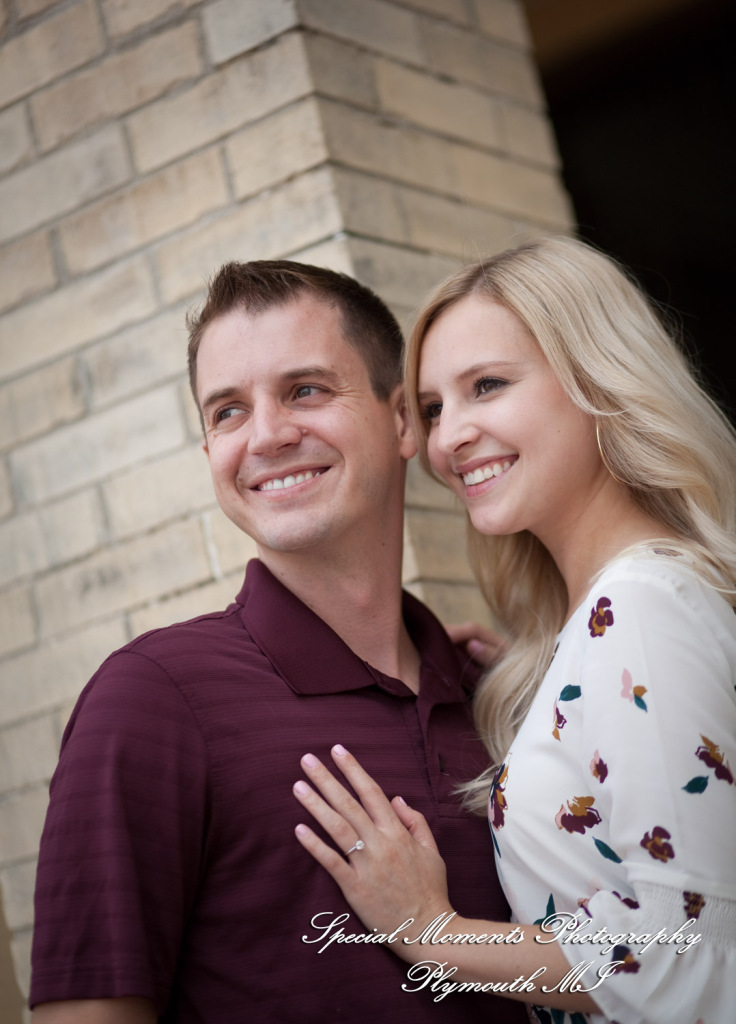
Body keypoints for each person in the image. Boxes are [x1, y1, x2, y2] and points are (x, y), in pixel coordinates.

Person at [29, 261, 527, 1024]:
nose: (266, 435)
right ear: (209, 455)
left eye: (305, 390)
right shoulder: (151, 700)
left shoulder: (482, 691)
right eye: (227, 411)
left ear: (402, 421)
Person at [292, 237, 736, 1024]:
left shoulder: (640, 607)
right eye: (432, 409)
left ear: (596, 379)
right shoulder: (613, 621)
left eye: (487, 386)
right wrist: (547, 693)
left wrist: (430, 932)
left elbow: (690, 951)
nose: (447, 439)